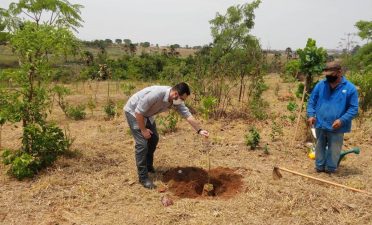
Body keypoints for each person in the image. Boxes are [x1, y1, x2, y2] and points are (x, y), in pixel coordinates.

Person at [124, 82, 209, 189]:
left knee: (154, 138)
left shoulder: (175, 100)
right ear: (175, 94)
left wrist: (200, 130)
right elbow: (138, 112)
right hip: (134, 112)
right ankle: (143, 178)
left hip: (147, 114)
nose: (182, 102)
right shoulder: (156, 94)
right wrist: (143, 130)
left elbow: (187, 115)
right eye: (182, 99)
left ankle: (148, 166)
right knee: (142, 144)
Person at [307, 61, 358, 173]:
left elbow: (353, 109)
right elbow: (311, 102)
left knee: (334, 149)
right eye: (327, 75)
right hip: (320, 123)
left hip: (337, 126)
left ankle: (330, 169)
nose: (328, 77)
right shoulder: (320, 85)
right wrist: (311, 115)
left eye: (331, 74)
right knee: (319, 147)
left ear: (339, 72)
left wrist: (342, 120)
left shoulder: (350, 88)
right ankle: (319, 167)